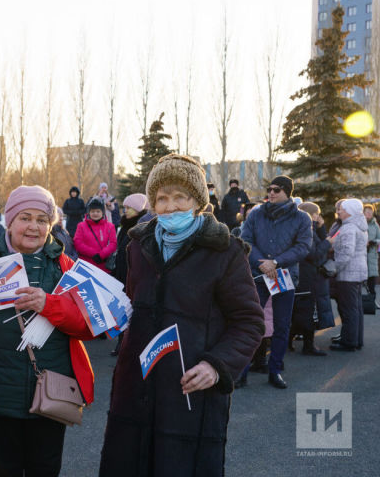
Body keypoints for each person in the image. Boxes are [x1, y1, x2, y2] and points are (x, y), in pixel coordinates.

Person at [98, 154, 264, 476]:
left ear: (197, 201)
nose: (170, 207)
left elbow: (249, 322)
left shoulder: (225, 251)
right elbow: (133, 304)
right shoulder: (138, 246)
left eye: (179, 197)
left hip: (190, 391)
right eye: (161, 198)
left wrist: (216, 366)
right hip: (136, 388)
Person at [0, 185, 95, 477]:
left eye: (41, 219)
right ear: (9, 221)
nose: (33, 227)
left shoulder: (66, 267)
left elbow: (89, 326)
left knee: (45, 470)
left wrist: (49, 305)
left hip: (54, 394)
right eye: (25, 217)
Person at [241, 176, 312, 388]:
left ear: (287, 192)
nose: (271, 193)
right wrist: (261, 263)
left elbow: (303, 247)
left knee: (282, 325)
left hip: (283, 275)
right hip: (259, 274)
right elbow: (245, 240)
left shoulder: (302, 218)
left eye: (277, 190)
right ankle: (241, 372)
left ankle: (275, 371)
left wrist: (276, 262)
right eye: (270, 189)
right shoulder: (256, 215)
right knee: (251, 324)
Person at [289, 202, 333, 356]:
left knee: (300, 309)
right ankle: (308, 345)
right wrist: (328, 242)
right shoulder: (305, 229)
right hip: (306, 275)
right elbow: (313, 254)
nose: (318, 217)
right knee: (306, 310)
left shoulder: (306, 227)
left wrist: (321, 228)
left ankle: (292, 340)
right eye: (316, 214)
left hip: (305, 274)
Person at [110, 193, 150, 356]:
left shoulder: (142, 226)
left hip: (133, 275)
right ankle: (121, 344)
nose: (125, 211)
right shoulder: (125, 225)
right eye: (124, 208)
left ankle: (130, 345)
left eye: (129, 208)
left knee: (133, 312)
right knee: (122, 310)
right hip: (121, 273)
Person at [330, 198, 368, 351]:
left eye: (342, 209)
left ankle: (349, 341)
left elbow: (346, 252)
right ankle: (356, 339)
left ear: (350, 211)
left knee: (349, 308)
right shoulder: (357, 225)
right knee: (356, 308)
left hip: (348, 273)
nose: (338, 211)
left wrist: (334, 268)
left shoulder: (349, 228)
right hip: (357, 271)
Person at [73, 198, 118, 273]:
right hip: (85, 265)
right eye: (92, 211)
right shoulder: (81, 225)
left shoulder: (110, 226)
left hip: (103, 266)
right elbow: (78, 243)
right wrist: (94, 254)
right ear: (89, 212)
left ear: (102, 212)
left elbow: (113, 244)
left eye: (98, 211)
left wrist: (101, 255)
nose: (95, 213)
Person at [364, 203, 379, 301]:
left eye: (371, 212)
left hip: (372, 254)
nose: (369, 214)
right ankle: (361, 301)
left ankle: (372, 300)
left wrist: (374, 242)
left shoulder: (375, 225)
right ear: (363, 213)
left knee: (371, 278)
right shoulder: (360, 223)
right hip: (361, 253)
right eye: (367, 212)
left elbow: (379, 238)